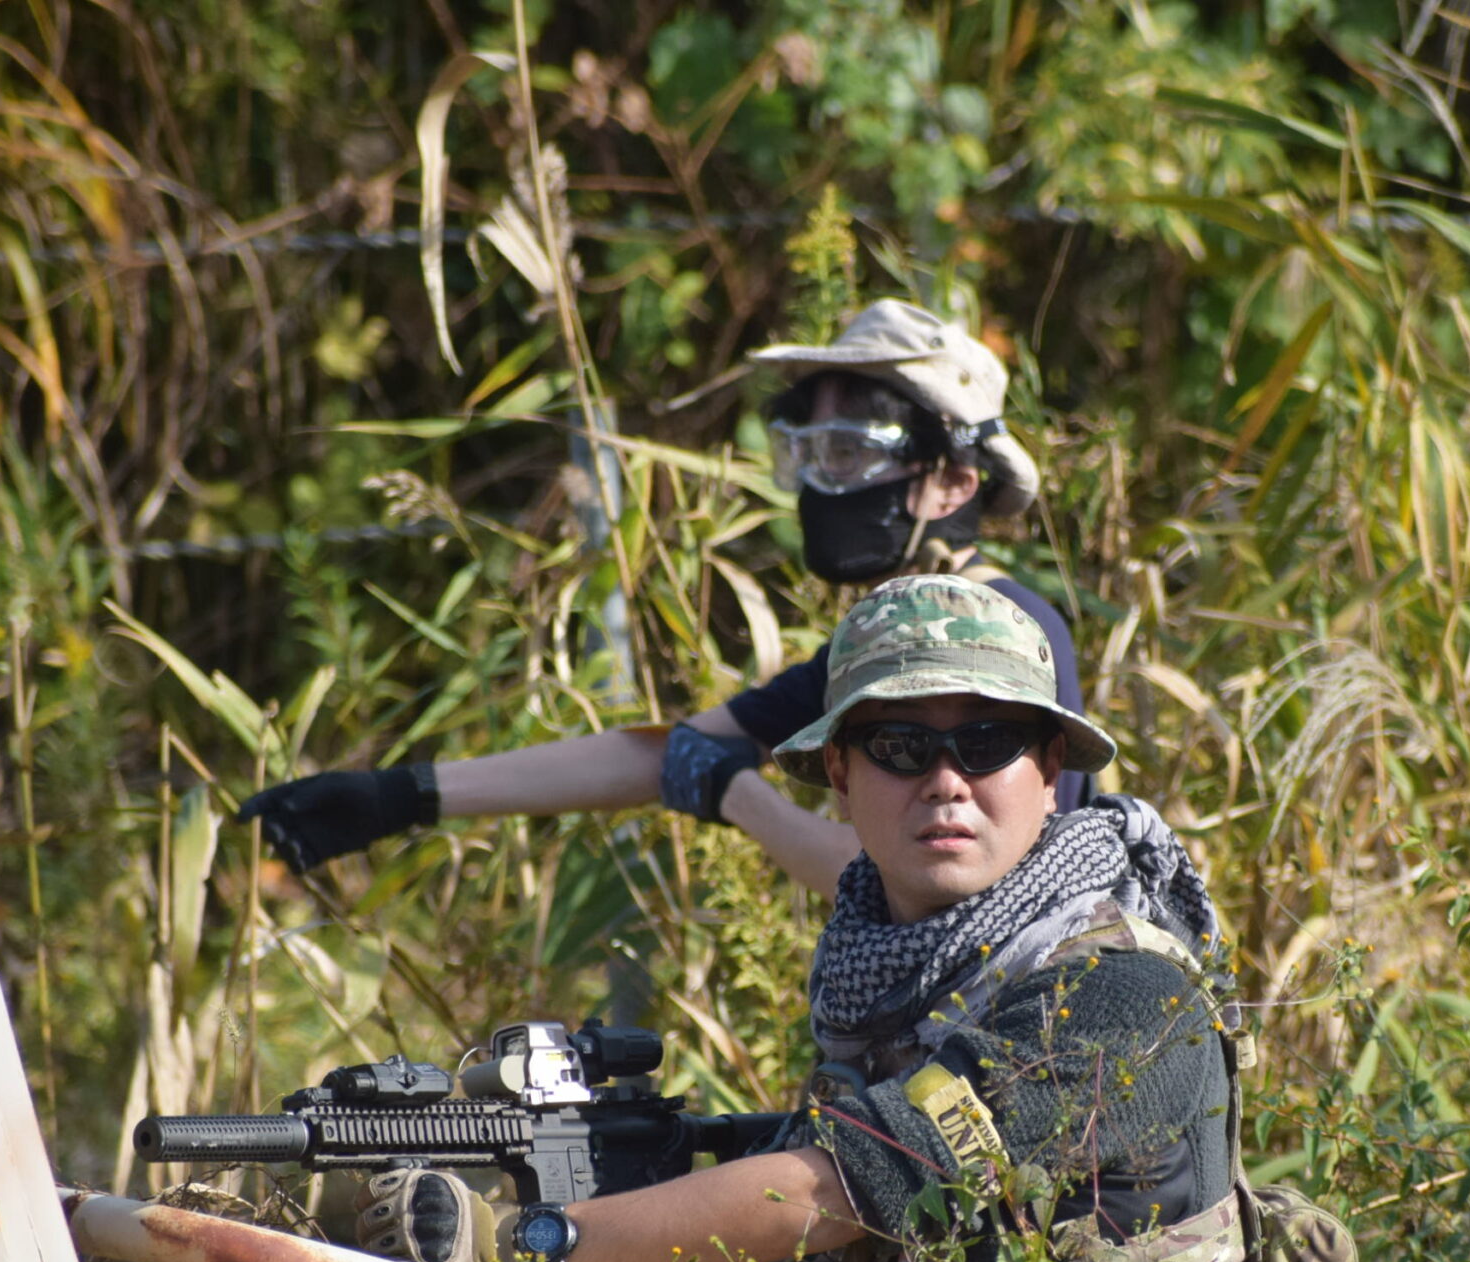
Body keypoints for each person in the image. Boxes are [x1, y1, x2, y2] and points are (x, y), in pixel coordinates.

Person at [390, 576, 1281, 1262]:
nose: (946, 779)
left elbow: (845, 1187)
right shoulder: (889, 999)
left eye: (988, 742)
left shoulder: (1119, 991)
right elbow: (792, 1231)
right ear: (839, 776)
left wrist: (526, 1241)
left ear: (1050, 766)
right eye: (901, 746)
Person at [238, 300, 1090, 898]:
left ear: (953, 482)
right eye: (807, 455)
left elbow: (889, 876)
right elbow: (668, 754)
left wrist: (739, 796)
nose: (822, 486)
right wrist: (401, 795)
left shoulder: (1009, 638)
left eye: (850, 453)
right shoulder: (879, 645)